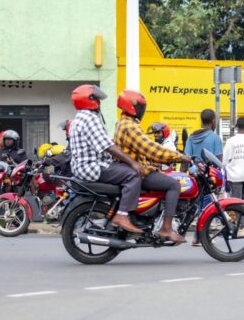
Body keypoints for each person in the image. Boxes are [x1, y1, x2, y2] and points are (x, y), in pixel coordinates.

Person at [115, 89, 191, 243]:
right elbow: (151, 149)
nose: (142, 111)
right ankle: (166, 228)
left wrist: (160, 161)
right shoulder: (130, 126)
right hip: (138, 173)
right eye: (140, 107)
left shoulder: (123, 123)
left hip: (135, 169)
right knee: (174, 185)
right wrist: (179, 156)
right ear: (132, 107)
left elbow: (142, 152)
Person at [69, 84, 144, 234]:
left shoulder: (79, 118)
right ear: (90, 100)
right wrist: (133, 162)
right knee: (133, 174)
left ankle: (122, 212)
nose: (100, 103)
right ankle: (122, 215)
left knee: (124, 169)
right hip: (92, 167)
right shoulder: (90, 118)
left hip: (83, 166)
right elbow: (107, 146)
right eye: (98, 100)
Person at [184, 109, 223, 246]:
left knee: (197, 206)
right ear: (213, 121)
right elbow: (219, 160)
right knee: (206, 207)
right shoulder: (215, 137)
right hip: (208, 177)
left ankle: (196, 236)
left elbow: (186, 158)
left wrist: (185, 174)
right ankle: (198, 238)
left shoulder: (191, 136)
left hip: (194, 176)